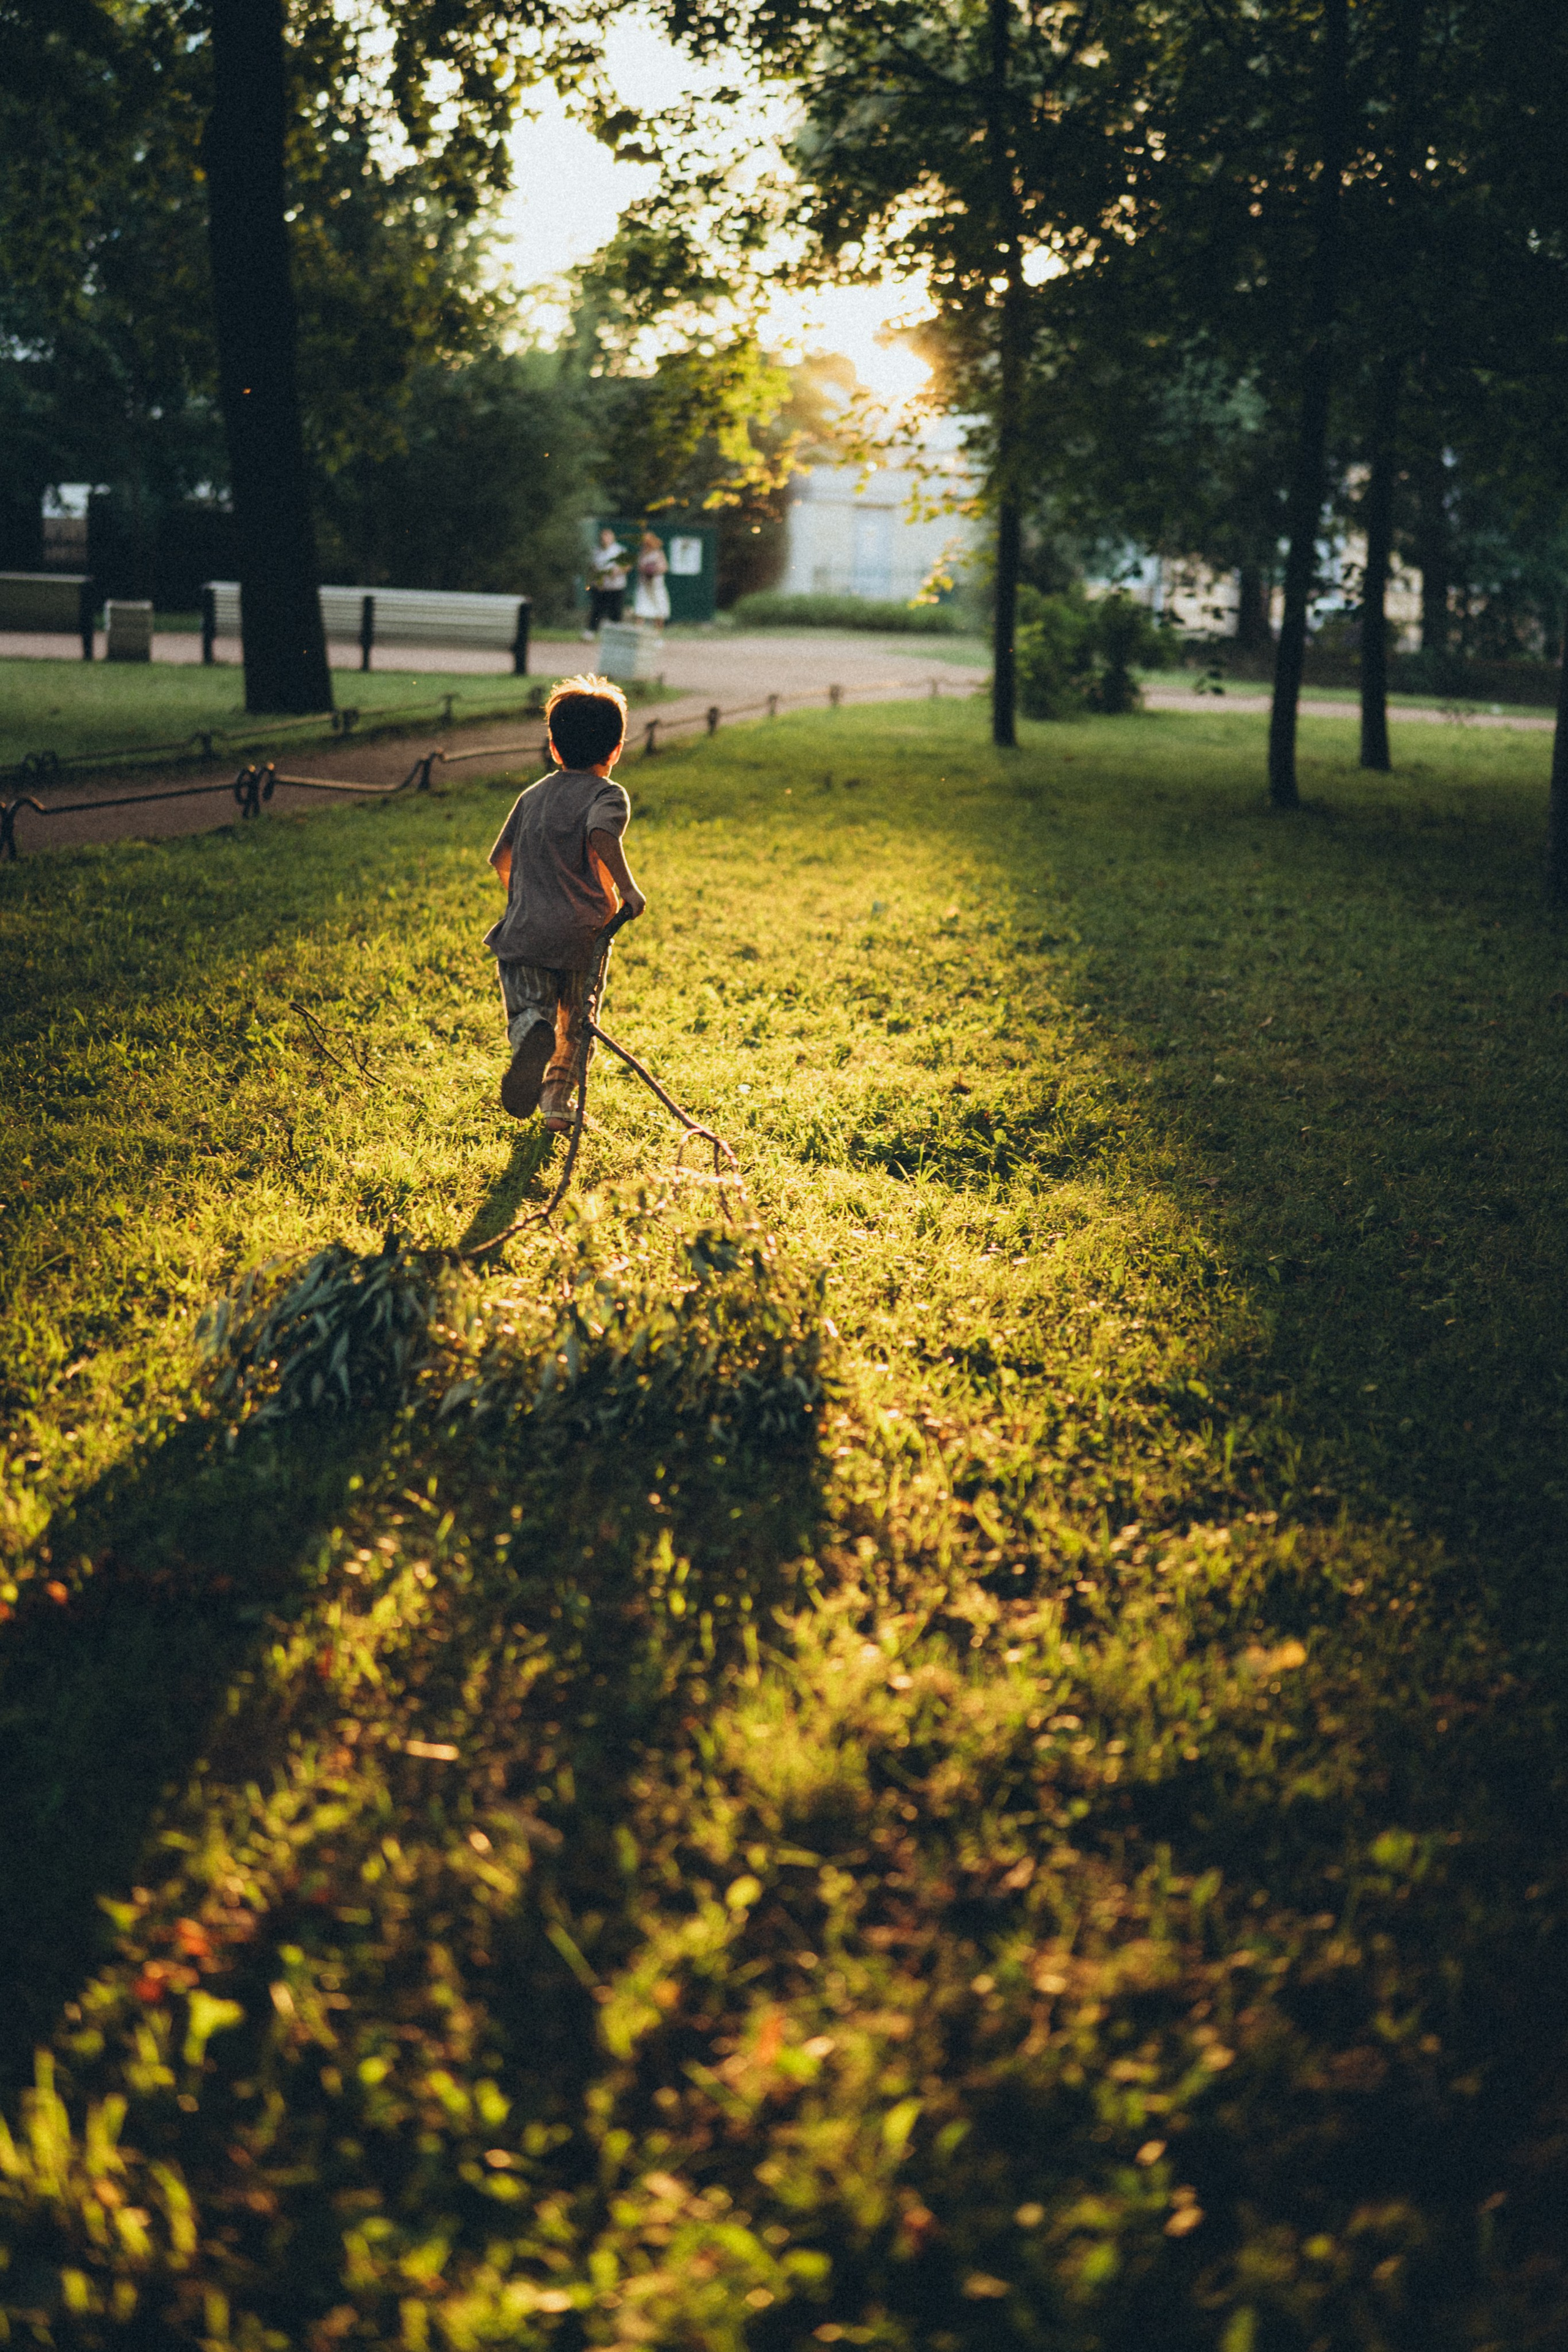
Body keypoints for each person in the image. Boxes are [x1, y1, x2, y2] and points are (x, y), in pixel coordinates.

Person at [484, 674, 646, 1134]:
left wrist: (530, 898)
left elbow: (503, 861)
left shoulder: (531, 796)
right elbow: (601, 833)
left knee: (528, 1010)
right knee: (577, 1025)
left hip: (526, 932)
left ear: (553, 747)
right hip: (583, 934)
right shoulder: (607, 794)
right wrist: (626, 889)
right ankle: (557, 1104)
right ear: (615, 750)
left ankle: (530, 1032)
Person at [584, 527, 628, 641]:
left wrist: (618, 571)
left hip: (616, 586)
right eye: (603, 537)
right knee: (597, 609)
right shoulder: (596, 551)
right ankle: (591, 631)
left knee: (616, 610)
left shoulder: (619, 550)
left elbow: (627, 566)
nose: (605, 539)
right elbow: (593, 568)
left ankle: (617, 634)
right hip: (601, 586)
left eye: (607, 537)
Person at [633, 529, 670, 630]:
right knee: (640, 611)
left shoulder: (658, 553)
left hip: (656, 586)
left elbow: (665, 567)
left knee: (659, 612)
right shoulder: (642, 554)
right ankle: (638, 635)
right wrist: (646, 570)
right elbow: (639, 567)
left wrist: (654, 570)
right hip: (645, 586)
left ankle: (657, 637)